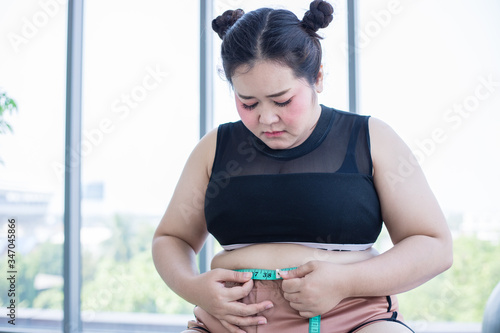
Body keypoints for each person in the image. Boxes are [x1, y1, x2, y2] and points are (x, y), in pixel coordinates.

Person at [152, 1, 453, 332]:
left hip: (353, 320)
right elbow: (171, 238)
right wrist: (193, 287)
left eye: (282, 100)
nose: (267, 118)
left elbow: (434, 246)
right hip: (230, 324)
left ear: (318, 77)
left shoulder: (371, 139)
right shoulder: (214, 148)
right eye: (247, 103)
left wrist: (345, 282)